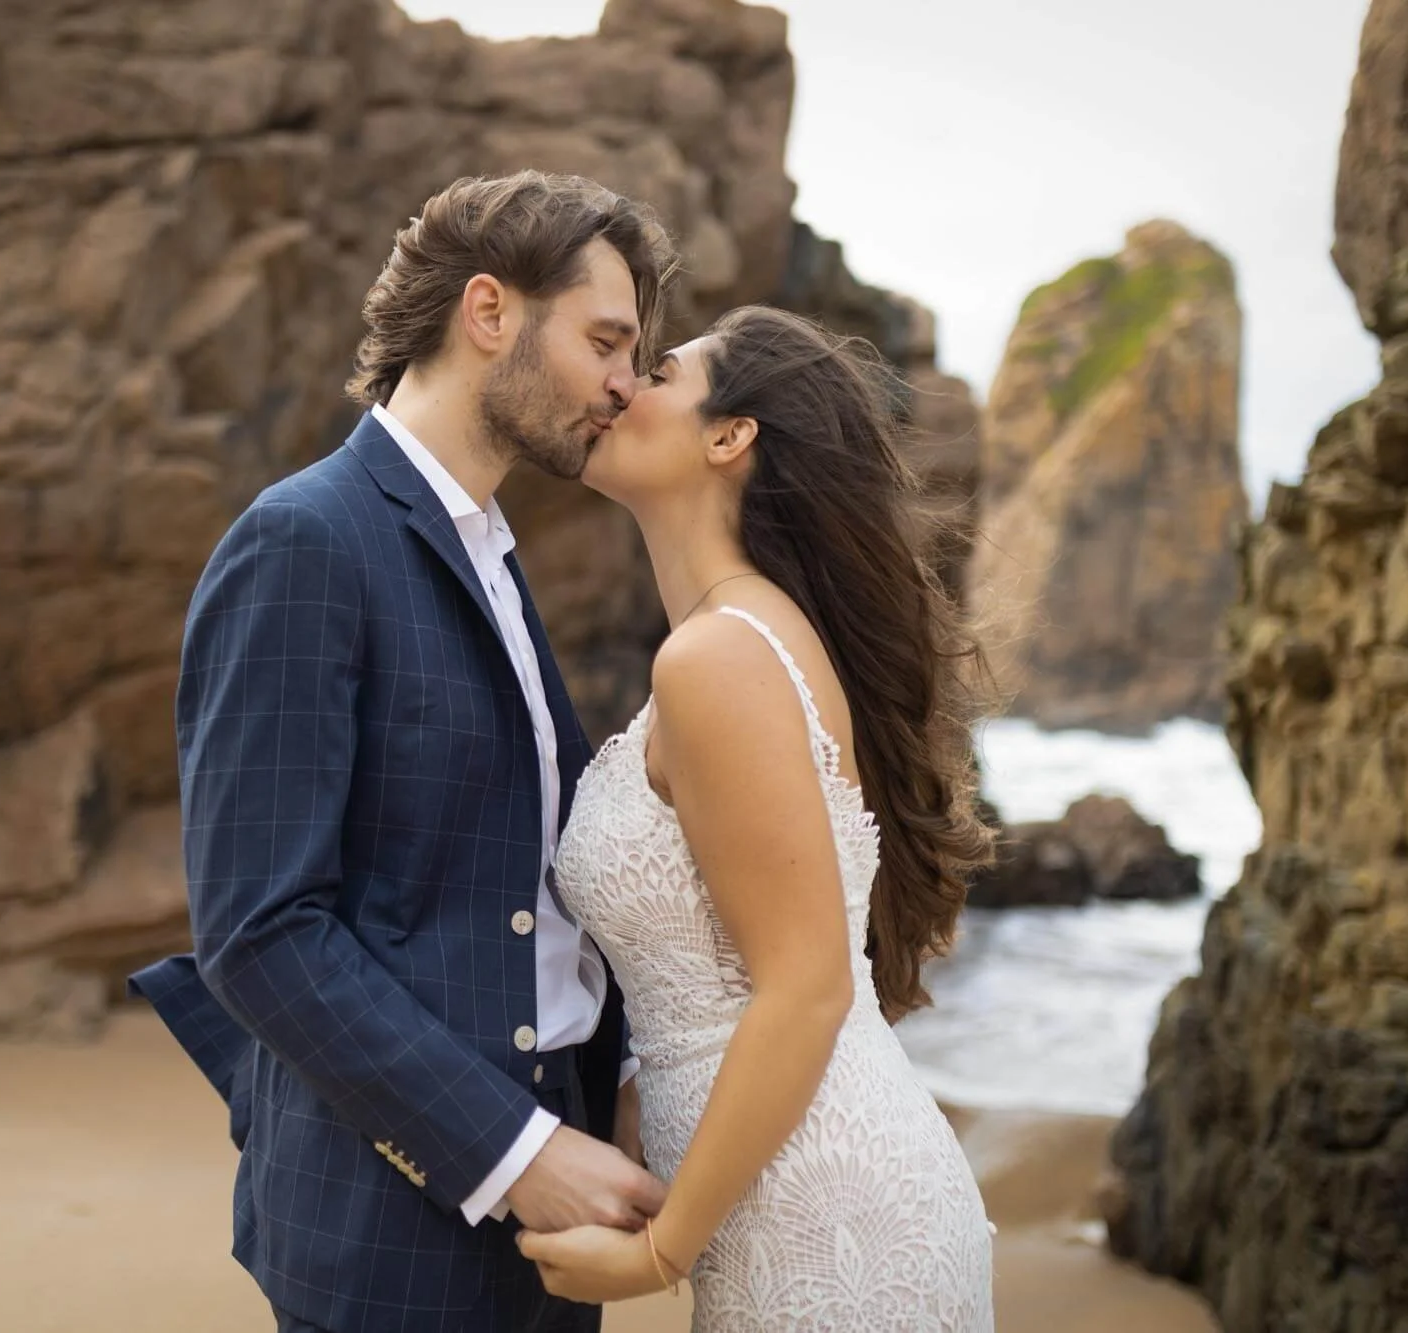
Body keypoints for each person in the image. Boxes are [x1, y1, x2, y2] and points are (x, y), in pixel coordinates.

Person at [128, 170, 678, 1332]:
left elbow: (529, 879)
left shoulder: (492, 552)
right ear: (489, 313)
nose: (625, 386)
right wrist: (519, 1152)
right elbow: (260, 930)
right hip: (388, 1237)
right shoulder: (302, 540)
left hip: (550, 1226)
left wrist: (616, 1079)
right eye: (605, 342)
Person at [521, 305, 1000, 1331]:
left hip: (828, 1218)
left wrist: (659, 1250)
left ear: (728, 435)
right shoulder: (735, 639)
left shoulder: (718, 657)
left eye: (657, 372)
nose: (617, 386)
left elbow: (805, 989)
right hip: (793, 1195)